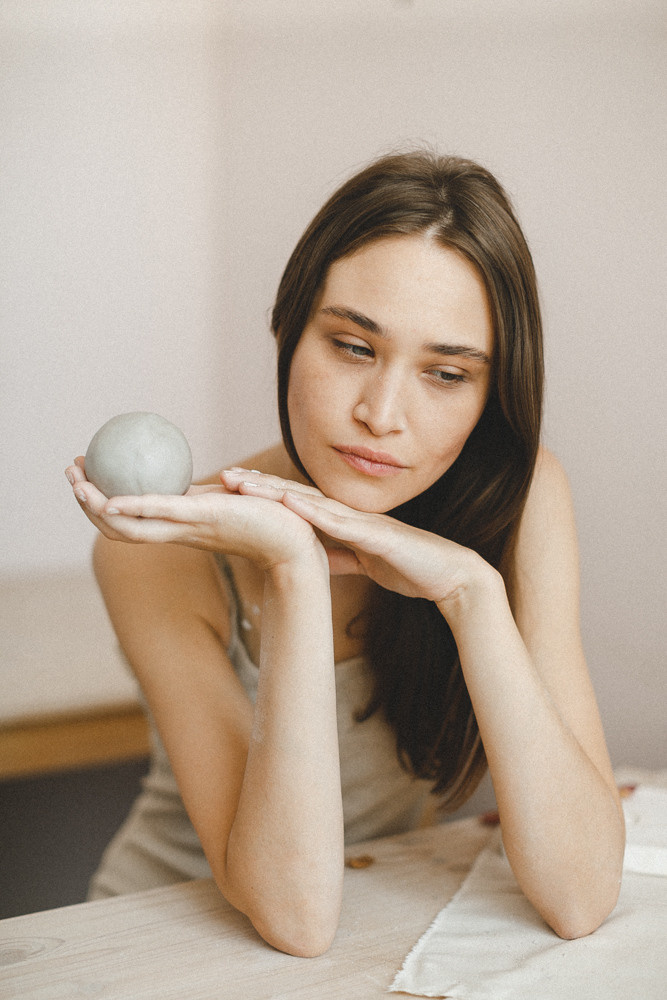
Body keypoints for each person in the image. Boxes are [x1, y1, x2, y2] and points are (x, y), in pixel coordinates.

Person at [66, 150, 625, 957]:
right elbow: (291, 916)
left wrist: (469, 593)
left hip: (370, 932)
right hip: (157, 941)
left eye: (445, 373)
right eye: (354, 347)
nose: (381, 414)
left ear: (489, 394)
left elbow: (579, 895)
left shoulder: (521, 499)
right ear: (289, 329)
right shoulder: (163, 551)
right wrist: (292, 567)